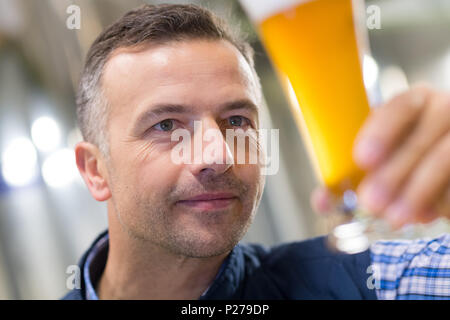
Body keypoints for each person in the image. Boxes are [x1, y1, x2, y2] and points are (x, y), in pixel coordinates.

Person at [63, 4, 450, 300]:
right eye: (165, 126)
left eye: (235, 121)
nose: (218, 156)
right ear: (95, 170)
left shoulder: (359, 282)